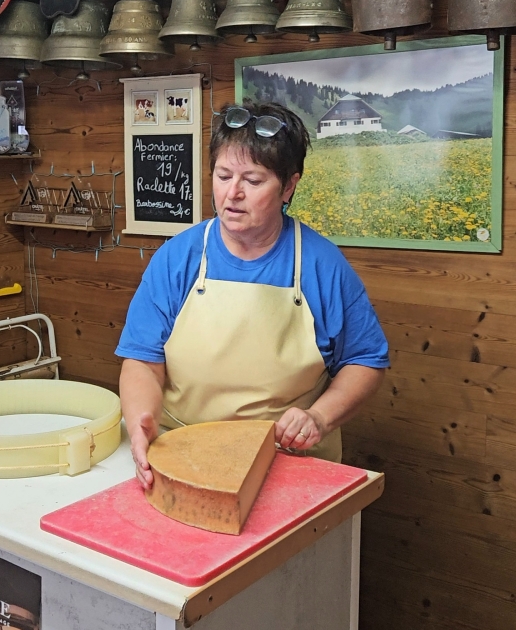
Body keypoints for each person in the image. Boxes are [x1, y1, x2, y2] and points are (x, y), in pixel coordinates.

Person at [117, 101, 389, 489]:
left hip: (286, 462)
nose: (233, 193)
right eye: (223, 175)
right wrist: (142, 418)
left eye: (254, 180)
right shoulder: (178, 257)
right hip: (181, 454)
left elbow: (365, 360)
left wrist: (320, 417)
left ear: (289, 186)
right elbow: (142, 359)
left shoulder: (319, 263)